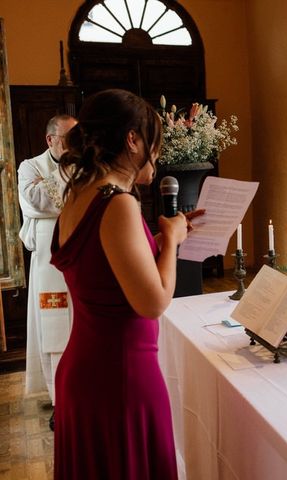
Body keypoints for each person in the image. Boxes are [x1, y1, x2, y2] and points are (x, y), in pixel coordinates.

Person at [51, 89, 189, 479]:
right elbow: (153, 302)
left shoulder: (78, 196)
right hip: (121, 380)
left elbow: (104, 269)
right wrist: (172, 241)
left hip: (84, 371)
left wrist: (159, 244)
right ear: (132, 139)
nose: (157, 155)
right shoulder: (119, 203)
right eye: (154, 142)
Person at [18, 114, 77, 429]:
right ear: (50, 139)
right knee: (55, 329)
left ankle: (82, 394)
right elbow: (38, 200)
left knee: (82, 327)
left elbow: (71, 202)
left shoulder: (83, 166)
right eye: (69, 137)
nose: (74, 144)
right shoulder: (30, 167)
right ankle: (60, 401)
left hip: (80, 258)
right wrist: (66, 178)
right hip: (48, 263)